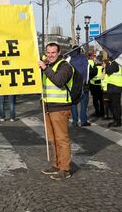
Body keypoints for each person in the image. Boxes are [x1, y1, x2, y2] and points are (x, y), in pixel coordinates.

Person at [39, 43, 73, 180]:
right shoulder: (49, 66)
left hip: (60, 108)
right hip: (48, 107)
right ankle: (57, 164)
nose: (50, 55)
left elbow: (59, 81)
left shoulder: (65, 66)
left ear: (59, 53)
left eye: (53, 52)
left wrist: (45, 68)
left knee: (61, 139)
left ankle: (65, 169)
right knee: (52, 139)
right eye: (48, 52)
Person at [67, 46, 90, 127]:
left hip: (73, 85)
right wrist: (86, 82)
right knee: (83, 103)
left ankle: (75, 121)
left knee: (74, 103)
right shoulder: (84, 59)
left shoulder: (70, 60)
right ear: (80, 51)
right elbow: (88, 72)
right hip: (83, 84)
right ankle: (83, 121)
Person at [103, 59, 122, 127]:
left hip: (115, 87)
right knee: (114, 105)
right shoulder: (118, 63)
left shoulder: (115, 63)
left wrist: (105, 66)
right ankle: (116, 119)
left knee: (115, 106)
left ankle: (117, 121)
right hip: (116, 87)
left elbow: (108, 71)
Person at [88, 53, 104, 118]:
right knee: (101, 100)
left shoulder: (95, 69)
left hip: (94, 87)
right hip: (101, 87)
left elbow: (90, 77)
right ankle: (102, 112)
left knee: (95, 100)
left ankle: (97, 112)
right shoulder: (103, 68)